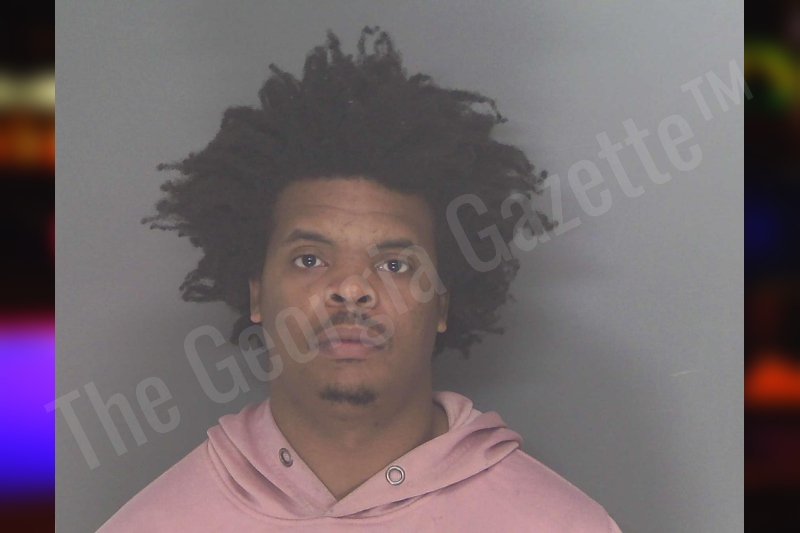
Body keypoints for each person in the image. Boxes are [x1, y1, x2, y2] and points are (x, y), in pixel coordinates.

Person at [97, 27, 623, 532]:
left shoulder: (565, 526)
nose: (351, 288)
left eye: (394, 264)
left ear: (441, 304)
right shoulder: (149, 525)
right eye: (309, 259)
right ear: (256, 293)